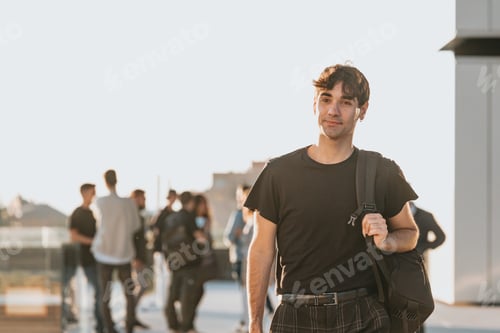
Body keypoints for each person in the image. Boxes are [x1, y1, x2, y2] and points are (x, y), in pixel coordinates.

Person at [244, 64, 419, 333]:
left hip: (363, 315)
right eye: (326, 99)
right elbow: (261, 249)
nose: (333, 110)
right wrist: (255, 322)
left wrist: (388, 241)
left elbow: (410, 233)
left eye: (346, 102)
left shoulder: (381, 171)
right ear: (314, 103)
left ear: (363, 110)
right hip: (294, 315)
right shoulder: (278, 173)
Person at [91, 169, 141, 333]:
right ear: (117, 181)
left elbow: (96, 225)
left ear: (105, 182)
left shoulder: (100, 202)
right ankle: (129, 326)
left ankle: (109, 328)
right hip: (124, 253)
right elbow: (135, 226)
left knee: (105, 295)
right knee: (129, 293)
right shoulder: (128, 203)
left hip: (103, 254)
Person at [163, 191, 205, 333]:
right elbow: (200, 238)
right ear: (191, 202)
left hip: (175, 261)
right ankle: (185, 326)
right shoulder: (189, 217)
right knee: (189, 296)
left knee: (173, 293)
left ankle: (173, 324)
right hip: (190, 263)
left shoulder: (171, 218)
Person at [68, 183, 104, 333]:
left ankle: (100, 323)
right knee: (98, 290)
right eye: (92, 192)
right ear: (84, 193)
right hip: (84, 259)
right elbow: (74, 236)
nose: (94, 195)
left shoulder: (92, 212)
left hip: (95, 257)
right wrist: (92, 242)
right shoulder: (77, 213)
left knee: (100, 290)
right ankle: (100, 324)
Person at [223, 184, 250, 332]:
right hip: (240, 259)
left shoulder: (251, 214)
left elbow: (228, 238)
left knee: (249, 293)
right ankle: (246, 321)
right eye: (240, 195)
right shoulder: (239, 215)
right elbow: (228, 238)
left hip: (248, 259)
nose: (240, 198)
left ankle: (247, 321)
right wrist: (237, 235)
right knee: (246, 293)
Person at [130, 189, 151, 330]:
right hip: (134, 258)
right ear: (136, 198)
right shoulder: (131, 216)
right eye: (143, 198)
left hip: (139, 257)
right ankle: (130, 315)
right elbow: (132, 238)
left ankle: (131, 315)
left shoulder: (138, 215)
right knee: (142, 285)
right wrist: (135, 257)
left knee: (142, 286)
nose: (145, 200)